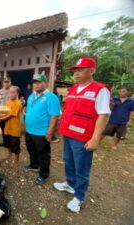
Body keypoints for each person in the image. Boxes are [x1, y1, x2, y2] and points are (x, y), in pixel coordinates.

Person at [54, 57, 111, 213]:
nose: (76, 74)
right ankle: (71, 185)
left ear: (91, 71)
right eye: (75, 71)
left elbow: (103, 115)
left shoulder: (100, 90)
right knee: (68, 161)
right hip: (68, 133)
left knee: (82, 168)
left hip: (83, 137)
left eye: (80, 70)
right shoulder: (73, 89)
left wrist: (95, 138)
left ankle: (79, 196)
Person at [24, 74, 60, 185]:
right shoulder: (31, 96)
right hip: (29, 130)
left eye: (39, 82)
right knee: (31, 149)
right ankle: (34, 165)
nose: (36, 85)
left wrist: (50, 132)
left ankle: (44, 174)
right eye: (34, 82)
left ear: (45, 83)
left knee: (43, 154)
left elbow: (55, 116)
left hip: (41, 132)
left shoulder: (51, 97)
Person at [0, 86, 22, 168]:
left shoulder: (18, 103)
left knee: (15, 145)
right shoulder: (8, 102)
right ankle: (9, 154)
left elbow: (9, 116)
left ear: (17, 93)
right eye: (10, 92)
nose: (11, 94)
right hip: (7, 127)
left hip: (15, 129)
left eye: (13, 92)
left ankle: (17, 160)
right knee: (7, 143)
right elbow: (4, 113)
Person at [0, 77, 11, 146]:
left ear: (10, 83)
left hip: (10, 113)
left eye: (7, 82)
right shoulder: (0, 91)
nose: (6, 83)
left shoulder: (12, 91)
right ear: (3, 83)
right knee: (2, 128)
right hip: (2, 113)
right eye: (5, 82)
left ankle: (9, 142)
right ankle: (5, 141)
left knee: (9, 128)